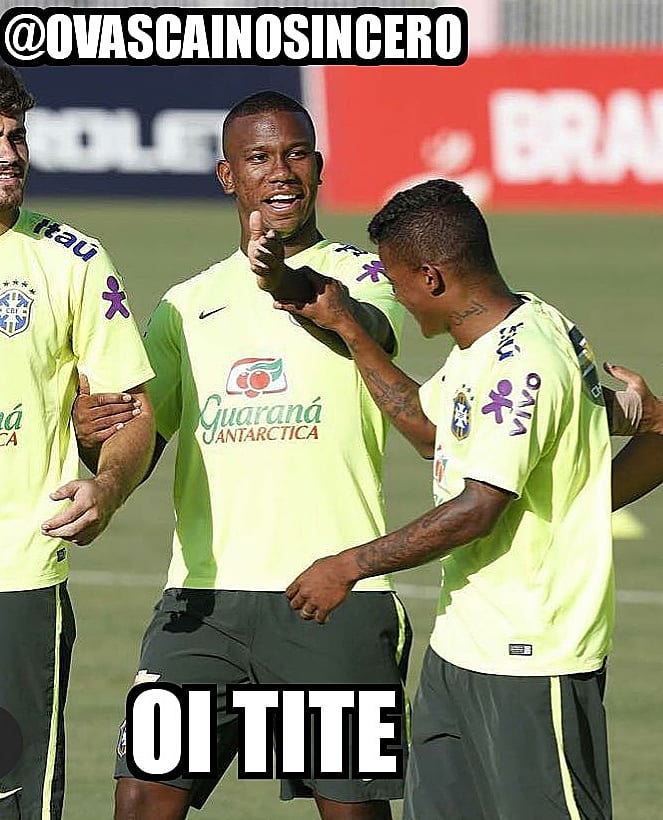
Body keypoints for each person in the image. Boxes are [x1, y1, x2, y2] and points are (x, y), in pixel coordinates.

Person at [278, 178, 662, 819]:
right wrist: (349, 328)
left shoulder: (526, 359)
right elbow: (431, 431)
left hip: (533, 656)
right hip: (460, 647)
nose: (396, 297)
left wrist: (347, 566)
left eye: (397, 282)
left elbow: (477, 509)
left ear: (431, 278)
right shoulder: (490, 340)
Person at [74, 91, 411, 820]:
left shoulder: (364, 274)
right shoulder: (184, 305)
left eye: (295, 154)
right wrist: (94, 449)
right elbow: (142, 434)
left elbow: (371, 333)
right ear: (228, 175)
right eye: (259, 157)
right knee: (140, 803)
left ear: (319, 166)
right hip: (204, 605)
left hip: (333, 601)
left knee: (349, 813)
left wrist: (282, 281)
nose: (280, 171)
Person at [0, 65, 155, 820]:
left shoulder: (73, 260)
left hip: (17, 570)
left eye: (16, 136)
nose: (10, 155)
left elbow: (131, 409)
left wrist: (108, 486)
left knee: (15, 795)